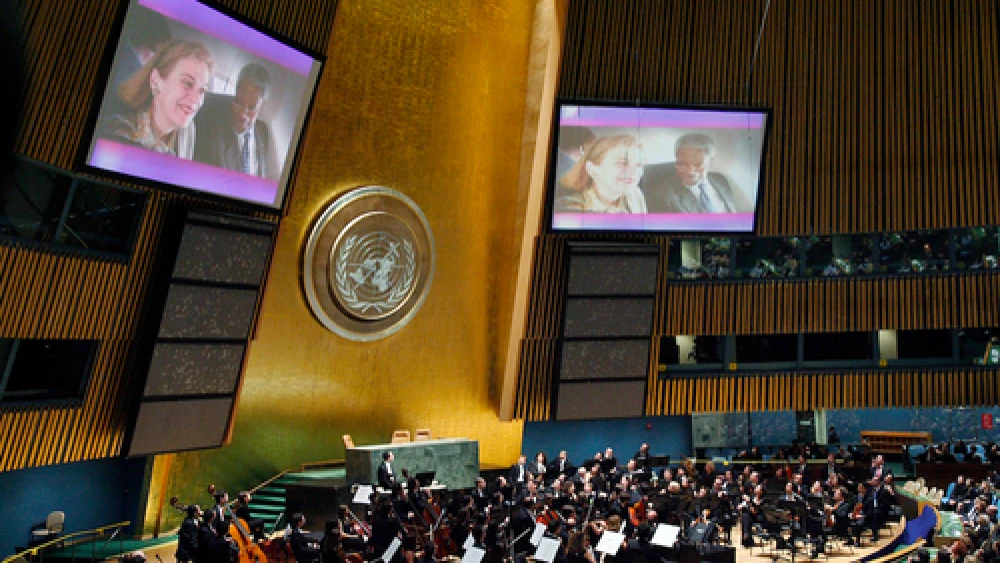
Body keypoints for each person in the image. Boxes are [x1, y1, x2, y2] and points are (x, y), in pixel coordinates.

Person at [102, 39, 213, 159]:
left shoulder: (188, 133)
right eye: (187, 83)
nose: (196, 99)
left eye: (202, 90)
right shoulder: (118, 138)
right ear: (155, 81)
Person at [194, 62, 278, 179]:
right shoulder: (213, 132)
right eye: (238, 103)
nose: (242, 114)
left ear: (262, 106)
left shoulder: (263, 131)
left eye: (251, 108)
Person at [641, 133, 752, 214]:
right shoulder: (664, 197)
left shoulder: (721, 179)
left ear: (711, 162)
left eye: (698, 165)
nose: (690, 172)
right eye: (682, 164)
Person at [553, 134, 647, 214]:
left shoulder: (635, 195)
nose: (634, 172)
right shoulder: (569, 209)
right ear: (592, 170)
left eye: (639, 165)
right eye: (623, 163)